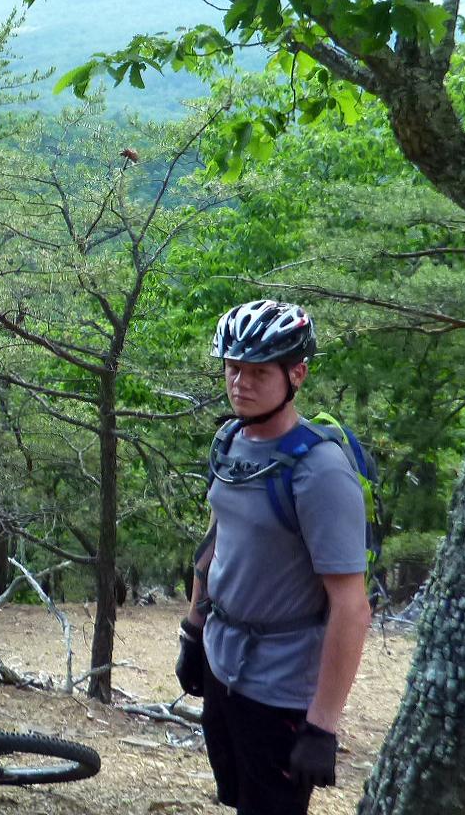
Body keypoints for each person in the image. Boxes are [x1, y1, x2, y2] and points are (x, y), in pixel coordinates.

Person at [175, 299, 371, 815]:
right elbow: (217, 540)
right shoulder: (231, 441)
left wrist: (322, 727)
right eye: (232, 368)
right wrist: (194, 631)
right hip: (223, 663)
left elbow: (351, 606)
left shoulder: (320, 473)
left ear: (297, 375)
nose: (240, 382)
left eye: (258, 372)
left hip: (282, 685)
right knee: (240, 797)